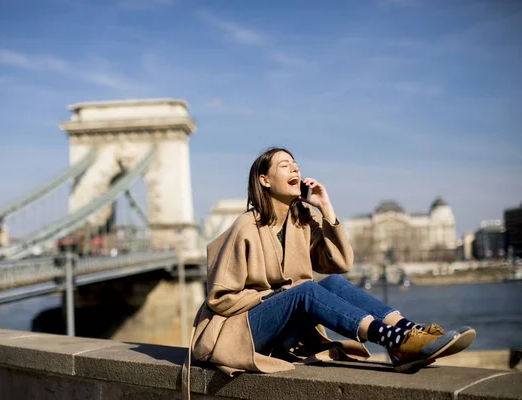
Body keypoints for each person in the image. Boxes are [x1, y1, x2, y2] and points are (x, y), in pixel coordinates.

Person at [182, 147, 475, 396]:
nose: (294, 169)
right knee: (307, 290)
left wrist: (326, 209)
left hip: (281, 329)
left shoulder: (301, 222)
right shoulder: (246, 227)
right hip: (239, 332)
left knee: (331, 283)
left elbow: (339, 265)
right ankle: (389, 338)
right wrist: (277, 295)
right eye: (285, 166)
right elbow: (220, 298)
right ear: (265, 180)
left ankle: (406, 331)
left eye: (296, 165)